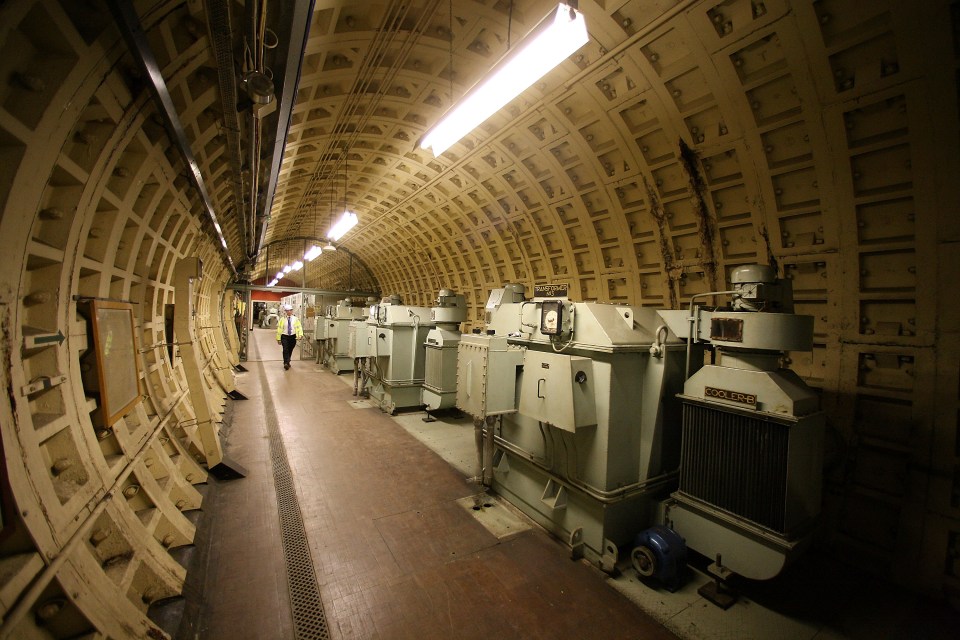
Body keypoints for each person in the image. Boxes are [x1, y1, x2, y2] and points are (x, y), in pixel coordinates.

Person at [276, 304, 304, 370]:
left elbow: (299, 327)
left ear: (292, 311)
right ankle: (286, 363)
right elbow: (279, 329)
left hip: (293, 336)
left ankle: (288, 361)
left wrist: (300, 335)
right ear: (285, 311)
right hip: (284, 336)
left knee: (290, 349)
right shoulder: (282, 319)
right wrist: (278, 339)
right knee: (285, 349)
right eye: (287, 311)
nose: (289, 312)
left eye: (290, 310)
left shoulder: (295, 319)